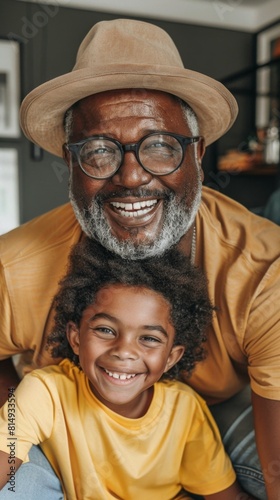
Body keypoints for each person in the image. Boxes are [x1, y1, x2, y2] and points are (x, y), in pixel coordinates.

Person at [0, 17, 280, 499]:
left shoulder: (266, 269)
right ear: (71, 163)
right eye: (100, 151)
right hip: (68, 421)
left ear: (199, 153)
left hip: (214, 415)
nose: (131, 178)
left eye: (159, 147)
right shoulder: (15, 267)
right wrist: (26, 424)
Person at [0, 238, 255, 499]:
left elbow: (224, 495)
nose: (123, 351)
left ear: (171, 358)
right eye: (105, 330)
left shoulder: (184, 409)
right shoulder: (45, 392)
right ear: (76, 338)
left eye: (149, 339)